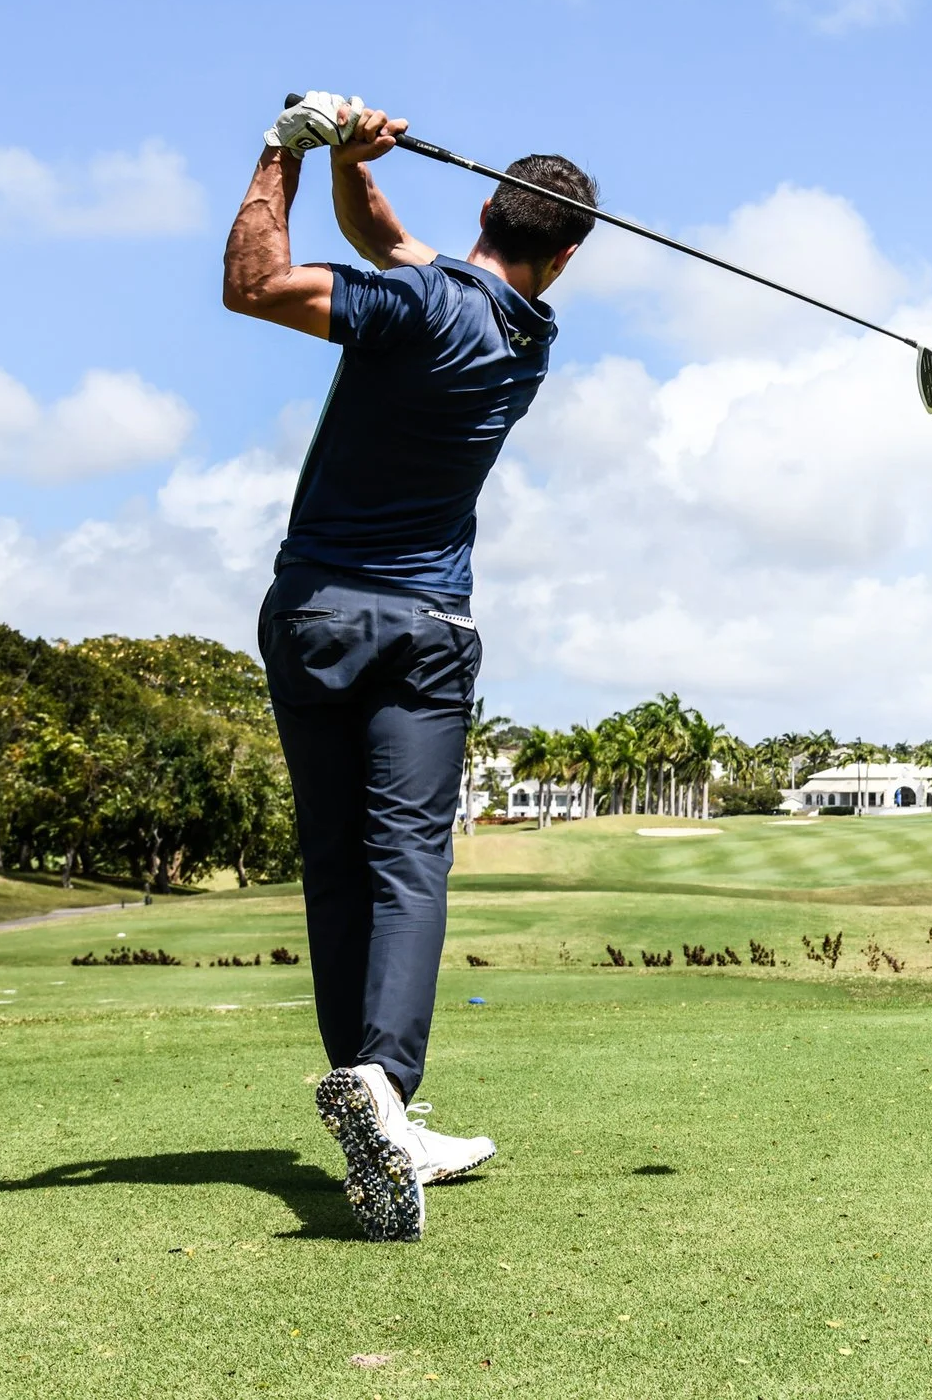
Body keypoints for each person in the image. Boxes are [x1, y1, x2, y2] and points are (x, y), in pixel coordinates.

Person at [221, 91, 595, 1241]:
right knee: (406, 864)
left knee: (338, 866)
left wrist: (284, 149)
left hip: (316, 614)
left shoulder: (411, 304)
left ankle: (373, 1098)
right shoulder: (523, 336)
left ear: (485, 203)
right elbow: (389, 239)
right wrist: (353, 159)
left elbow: (253, 281)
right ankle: (382, 1086)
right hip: (425, 629)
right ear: (566, 256)